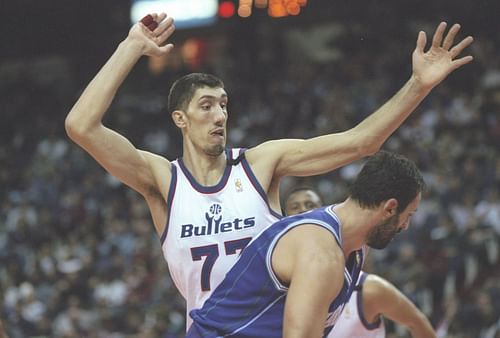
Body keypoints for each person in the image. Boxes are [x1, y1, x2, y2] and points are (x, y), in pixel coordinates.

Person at [64, 11, 473, 329]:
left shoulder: (260, 163)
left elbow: (361, 142)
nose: (220, 114)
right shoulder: (162, 180)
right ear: (180, 119)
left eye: (224, 104)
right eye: (206, 106)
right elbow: (81, 125)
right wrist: (132, 46)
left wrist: (418, 85)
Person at [186, 151, 425, 337]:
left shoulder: (355, 246)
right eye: (409, 215)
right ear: (390, 208)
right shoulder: (321, 254)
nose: (406, 226)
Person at [285, 187, 437, 338]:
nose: (303, 211)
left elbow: (417, 322)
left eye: (310, 205)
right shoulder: (278, 289)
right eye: (294, 207)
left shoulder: (367, 290)